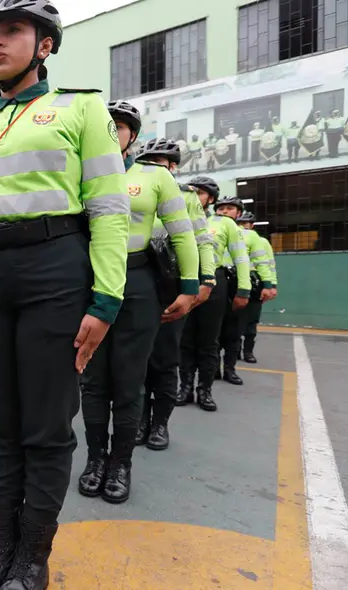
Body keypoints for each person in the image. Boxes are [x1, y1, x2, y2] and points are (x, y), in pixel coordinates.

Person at [0, 2, 129, 587]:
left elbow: (108, 207)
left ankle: (34, 554)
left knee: (45, 424)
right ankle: (2, 543)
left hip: (54, 269)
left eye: (12, 32)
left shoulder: (81, 108)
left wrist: (106, 299)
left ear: (45, 45)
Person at [77, 127, 200, 505]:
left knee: (129, 380)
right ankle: (96, 458)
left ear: (132, 135)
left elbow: (181, 232)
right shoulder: (78, 171)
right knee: (92, 379)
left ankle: (120, 463)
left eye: (119, 126)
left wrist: (191, 286)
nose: (110, 131)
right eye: (104, 123)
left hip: (138, 282)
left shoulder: (154, 176)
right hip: (88, 282)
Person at [140, 175, 217, 451]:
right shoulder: (133, 185)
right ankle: (140, 420)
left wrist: (207, 278)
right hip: (137, 283)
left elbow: (202, 240)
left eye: (165, 162)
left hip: (172, 284)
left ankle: (160, 423)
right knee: (137, 360)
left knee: (165, 358)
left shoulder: (186, 196)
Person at [179, 189, 250, 411]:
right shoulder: (178, 217)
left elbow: (241, 257)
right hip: (184, 280)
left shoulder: (224, 223)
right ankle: (185, 388)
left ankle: (205, 390)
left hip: (214, 281)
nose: (194, 196)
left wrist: (244, 290)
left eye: (200, 193)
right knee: (185, 340)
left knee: (209, 341)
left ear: (210, 199)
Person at [215, 199, 261, 386]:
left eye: (230, 208)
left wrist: (268, 284)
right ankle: (213, 369)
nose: (225, 211)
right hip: (217, 283)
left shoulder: (249, 236)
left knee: (234, 331)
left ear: (239, 213)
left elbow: (257, 262)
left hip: (237, 283)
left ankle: (230, 369)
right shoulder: (210, 228)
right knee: (214, 331)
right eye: (221, 208)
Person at [237, 211, 278, 364]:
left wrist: (272, 285)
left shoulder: (262, 242)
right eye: (239, 223)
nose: (242, 226)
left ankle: (248, 351)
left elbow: (269, 264)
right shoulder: (232, 238)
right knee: (234, 320)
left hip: (255, 283)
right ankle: (235, 351)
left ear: (252, 225)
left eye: (245, 223)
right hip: (236, 281)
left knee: (251, 320)